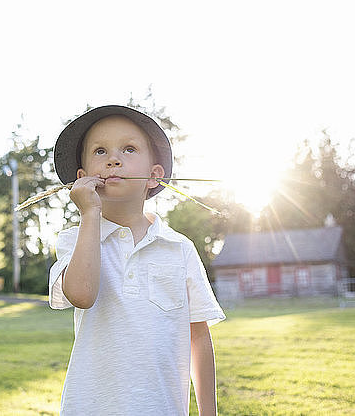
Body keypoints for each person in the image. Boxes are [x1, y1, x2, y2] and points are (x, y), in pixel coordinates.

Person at [49, 105, 225, 416]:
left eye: (128, 149)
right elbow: (82, 295)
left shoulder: (179, 248)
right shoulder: (74, 240)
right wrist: (90, 213)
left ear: (154, 176)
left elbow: (198, 335)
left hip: (162, 408)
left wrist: (209, 413)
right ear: (82, 178)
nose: (113, 159)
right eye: (100, 151)